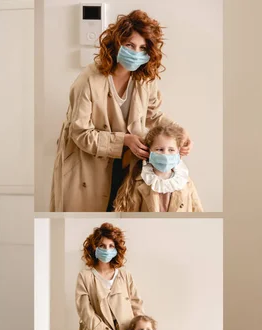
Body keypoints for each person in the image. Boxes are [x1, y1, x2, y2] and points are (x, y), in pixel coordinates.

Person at [50, 9, 192, 212]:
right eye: (130, 45)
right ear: (116, 43)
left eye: (143, 48)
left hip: (127, 163)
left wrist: (179, 132)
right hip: (88, 167)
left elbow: (152, 114)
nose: (136, 53)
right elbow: (80, 133)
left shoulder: (144, 79)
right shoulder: (88, 81)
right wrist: (123, 140)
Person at [75, 222, 144, 330]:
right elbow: (85, 312)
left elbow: (137, 308)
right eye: (102, 246)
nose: (106, 250)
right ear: (94, 248)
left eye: (111, 246)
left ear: (116, 249)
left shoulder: (125, 276)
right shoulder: (85, 276)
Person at [113, 125, 203, 212]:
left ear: (178, 152)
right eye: (159, 149)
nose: (165, 155)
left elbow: (198, 214)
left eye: (171, 150)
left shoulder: (186, 182)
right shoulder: (138, 183)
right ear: (148, 151)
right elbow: (130, 218)